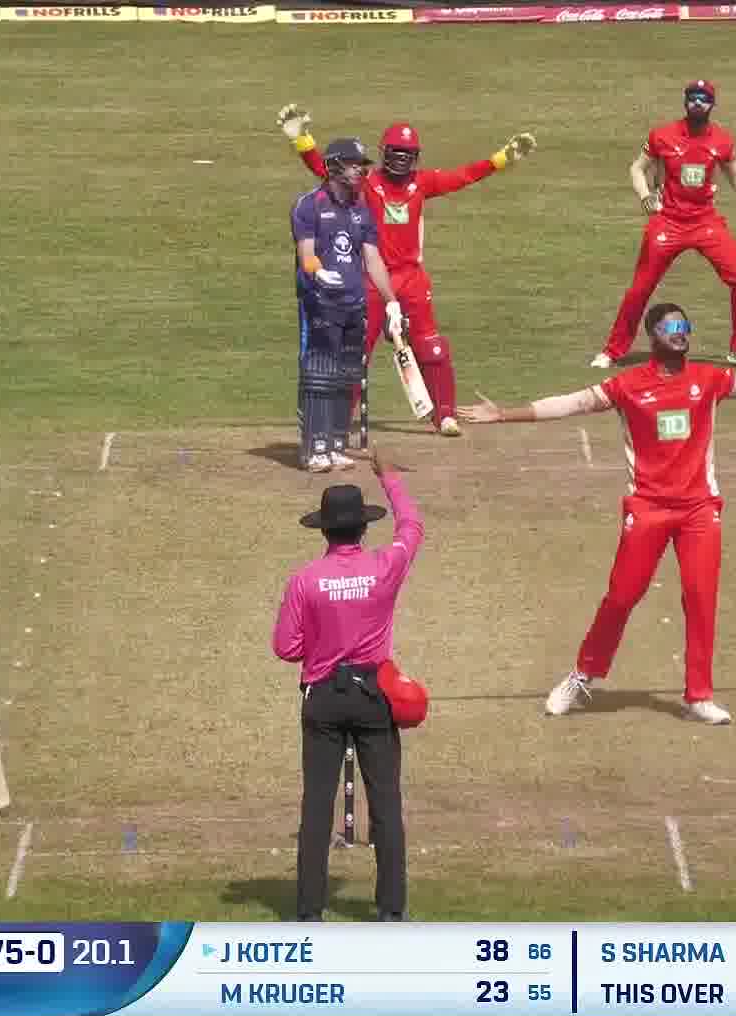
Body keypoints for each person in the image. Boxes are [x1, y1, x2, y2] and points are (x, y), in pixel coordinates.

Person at [458, 303, 736, 725]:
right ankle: (582, 676)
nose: (680, 332)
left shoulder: (708, 379)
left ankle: (699, 696)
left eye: (684, 325)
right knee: (622, 597)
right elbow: (572, 403)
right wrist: (504, 414)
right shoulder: (627, 385)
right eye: (670, 326)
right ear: (652, 335)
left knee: (701, 598)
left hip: (699, 509)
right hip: (648, 508)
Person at [278, 104, 537, 436]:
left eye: (407, 154)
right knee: (354, 354)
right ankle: (339, 421)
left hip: (412, 279)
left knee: (432, 349)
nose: (401, 160)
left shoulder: (423, 183)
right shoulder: (367, 183)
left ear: (415, 156)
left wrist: (500, 160)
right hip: (371, 279)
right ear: (384, 153)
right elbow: (326, 171)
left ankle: (445, 415)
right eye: (395, 153)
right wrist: (302, 140)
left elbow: (463, 176)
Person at [272, 443, 423, 921]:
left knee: (317, 807)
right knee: (386, 804)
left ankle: (308, 912)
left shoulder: (305, 580)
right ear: (362, 527)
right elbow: (412, 528)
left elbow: (285, 647)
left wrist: (321, 645)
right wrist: (390, 477)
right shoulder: (384, 566)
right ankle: (391, 911)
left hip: (322, 699)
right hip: (374, 695)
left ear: (325, 530)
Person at [593, 80, 736, 372]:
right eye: (692, 97)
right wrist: (645, 196)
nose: (697, 102)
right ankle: (612, 351)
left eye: (703, 98)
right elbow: (637, 168)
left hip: (705, 222)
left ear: (712, 104)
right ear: (685, 101)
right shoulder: (662, 135)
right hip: (668, 222)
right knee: (640, 289)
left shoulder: (721, 140)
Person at [291, 137, 406, 474]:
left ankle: (336, 443)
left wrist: (392, 302)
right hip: (320, 302)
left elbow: (373, 260)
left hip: (354, 304)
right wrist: (318, 272)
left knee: (346, 375)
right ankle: (315, 447)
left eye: (362, 165)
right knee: (319, 374)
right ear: (334, 166)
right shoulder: (309, 206)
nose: (360, 171)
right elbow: (306, 254)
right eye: (354, 164)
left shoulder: (361, 211)